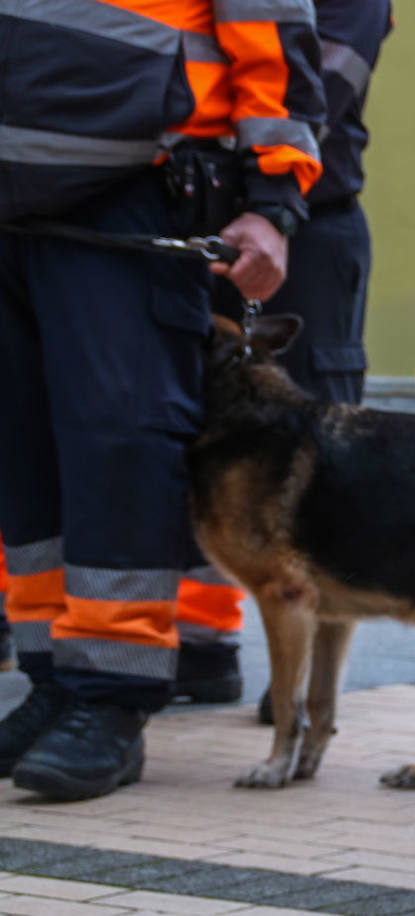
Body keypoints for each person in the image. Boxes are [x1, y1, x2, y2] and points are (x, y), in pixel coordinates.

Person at [0, 0, 324, 801]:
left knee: (120, 442)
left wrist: (274, 197)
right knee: (26, 449)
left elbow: (270, 26)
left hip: (135, 183)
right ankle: (54, 677)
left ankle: (111, 692)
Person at [206, 0, 394, 721]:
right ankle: (201, 639)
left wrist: (257, 185)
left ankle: (311, 678)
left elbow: (319, 87)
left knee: (325, 456)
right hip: (210, 219)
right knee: (205, 443)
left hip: (308, 220)